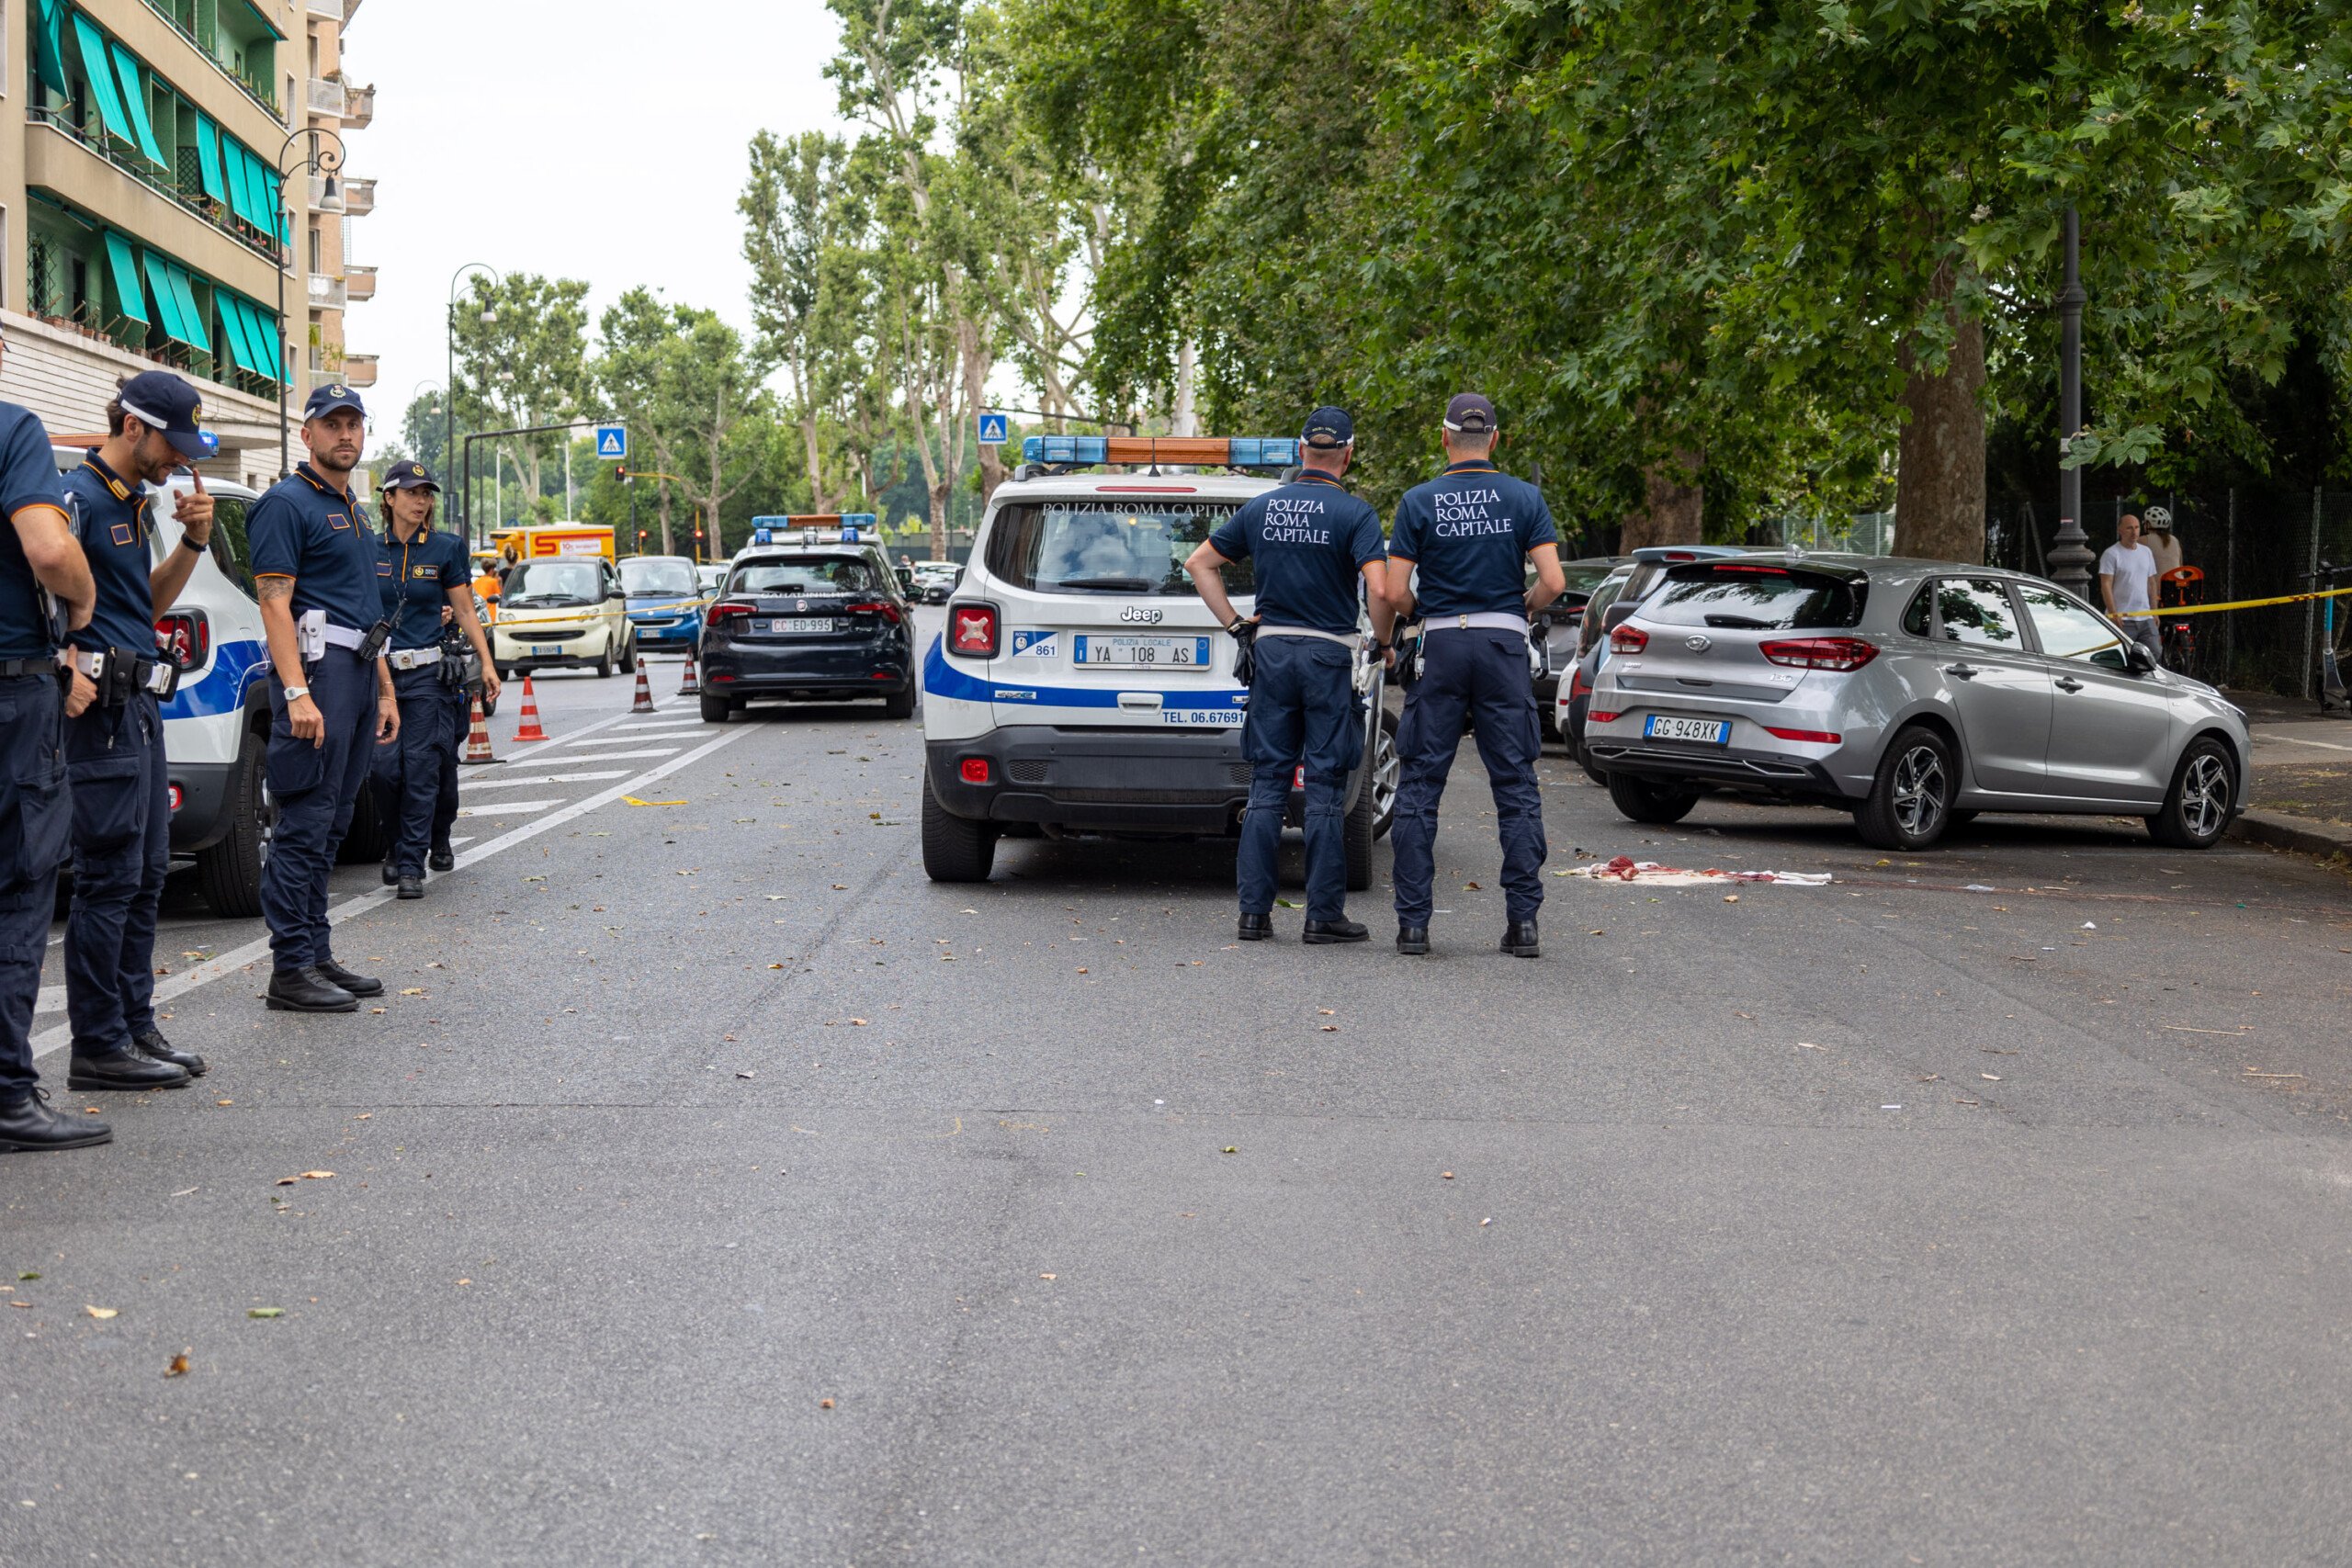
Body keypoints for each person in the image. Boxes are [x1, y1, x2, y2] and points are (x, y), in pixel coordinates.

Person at [58, 372, 221, 1094]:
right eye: (169, 444)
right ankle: (97, 1043)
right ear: (132, 426)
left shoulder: (131, 503)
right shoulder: (79, 498)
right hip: (99, 716)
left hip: (141, 710)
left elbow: (142, 602)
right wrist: (64, 659)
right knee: (109, 876)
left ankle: (132, 1024)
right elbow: (39, 592)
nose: (177, 462)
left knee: (148, 872)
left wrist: (192, 542)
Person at [1183, 406, 1396, 943]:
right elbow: (1382, 590)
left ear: (1301, 452)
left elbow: (1199, 564)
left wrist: (1236, 625)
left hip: (1272, 653)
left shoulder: (1262, 509)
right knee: (1324, 790)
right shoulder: (1356, 514)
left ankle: (1254, 915)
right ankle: (1323, 917)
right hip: (1328, 658)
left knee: (1266, 789)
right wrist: (1384, 642)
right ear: (1347, 455)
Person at [1382, 393, 1566, 958]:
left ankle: (1414, 926)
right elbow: (1554, 583)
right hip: (1502, 645)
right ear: (1495, 439)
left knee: (1418, 786)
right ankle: (1523, 926)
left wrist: (1419, 616)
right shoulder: (1525, 497)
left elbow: (1392, 592)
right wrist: (1523, 607)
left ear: (1443, 439)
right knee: (1515, 787)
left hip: (1440, 643)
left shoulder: (1418, 501)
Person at [248, 384, 399, 1012]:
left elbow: (367, 611)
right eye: (331, 424)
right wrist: (296, 692)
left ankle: (316, 951)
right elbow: (275, 602)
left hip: (360, 671)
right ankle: (289, 967)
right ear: (305, 434)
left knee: (334, 820)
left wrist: (386, 689)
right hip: (319, 673)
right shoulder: (286, 503)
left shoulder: (355, 509)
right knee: (305, 818)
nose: (345, 435)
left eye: (353, 424)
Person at [0, 341, 102, 1152]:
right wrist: (83, 603)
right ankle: (7, 1095)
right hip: (10, 693)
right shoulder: (13, 430)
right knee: (19, 887)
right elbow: (47, 547)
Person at [371, 460, 496, 898]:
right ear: (389, 499)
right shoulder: (367, 550)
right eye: (411, 493)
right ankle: (394, 843)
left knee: (423, 769)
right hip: (379, 675)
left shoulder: (447, 548)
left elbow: (464, 609)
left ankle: (410, 865)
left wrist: (487, 662)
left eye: (426, 494)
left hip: (428, 675)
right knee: (385, 772)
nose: (421, 501)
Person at [2098, 513, 2163, 660]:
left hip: (2145, 616)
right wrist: (2114, 613)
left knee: (2154, 653)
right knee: (2122, 656)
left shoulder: (2146, 552)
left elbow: (2151, 583)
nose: (2134, 532)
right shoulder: (2111, 554)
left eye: (2137, 527)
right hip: (2123, 617)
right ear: (2120, 531)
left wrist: (2155, 611)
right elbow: (2106, 584)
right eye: (2129, 528)